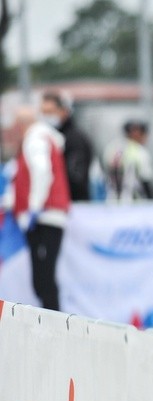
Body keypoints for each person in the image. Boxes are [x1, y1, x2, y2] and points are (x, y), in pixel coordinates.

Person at [12, 105, 72, 311]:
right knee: (43, 278)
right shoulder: (45, 138)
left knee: (44, 279)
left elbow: (42, 171)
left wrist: (33, 207)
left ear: (21, 126)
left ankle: (53, 325)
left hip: (44, 216)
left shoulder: (35, 139)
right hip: (47, 215)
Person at [40, 90, 93, 202]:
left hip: (74, 204)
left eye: (50, 112)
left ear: (64, 111)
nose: (46, 117)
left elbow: (76, 178)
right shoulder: (46, 137)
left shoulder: (74, 139)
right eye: (43, 112)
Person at [103, 119, 153, 201]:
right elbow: (146, 181)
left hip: (112, 202)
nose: (146, 137)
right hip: (134, 205)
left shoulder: (111, 148)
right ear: (136, 132)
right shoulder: (139, 151)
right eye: (143, 133)